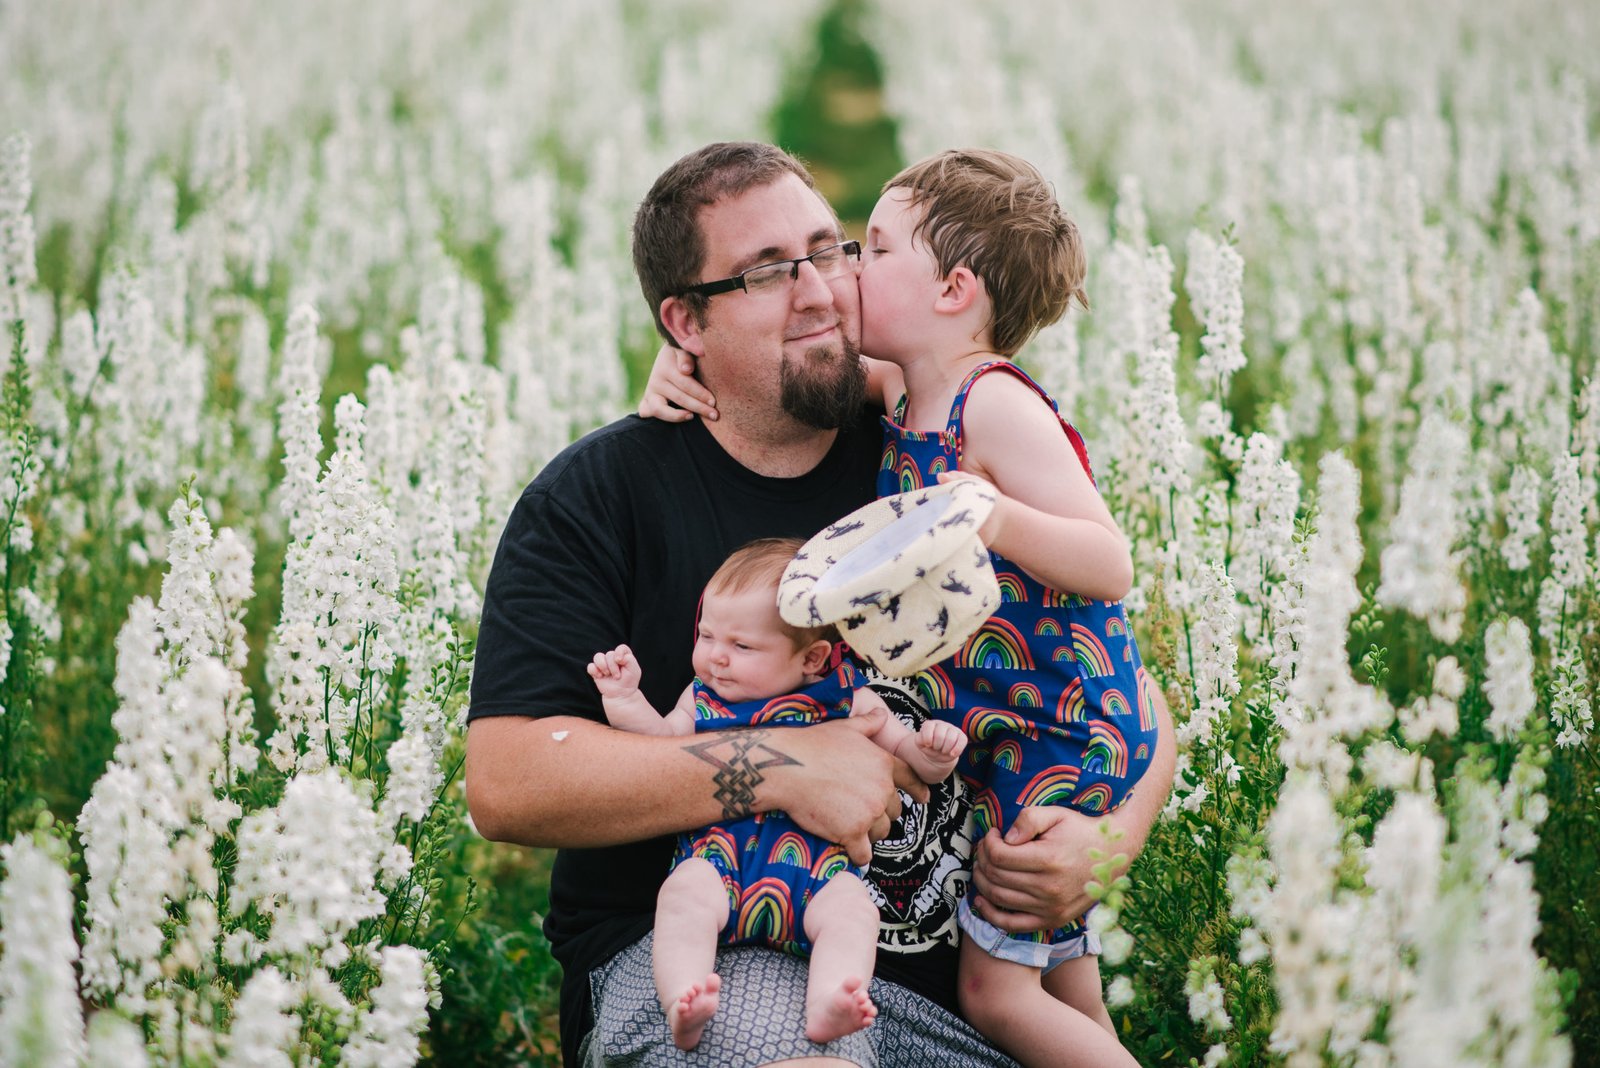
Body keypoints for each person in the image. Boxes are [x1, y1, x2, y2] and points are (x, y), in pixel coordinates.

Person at [468, 141, 1176, 1068]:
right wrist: (782, 765)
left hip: (961, 983)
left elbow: (1119, 684)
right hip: (726, 958)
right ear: (683, 321)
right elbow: (508, 781)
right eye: (765, 273)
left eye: (831, 249)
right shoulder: (602, 497)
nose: (816, 290)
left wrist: (1105, 845)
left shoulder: (924, 445)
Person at [587, 538, 967, 1050]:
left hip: (816, 878)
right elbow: (659, 744)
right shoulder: (701, 697)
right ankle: (684, 998)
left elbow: (907, 762)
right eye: (706, 636)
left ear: (812, 659)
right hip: (717, 865)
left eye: (742, 646)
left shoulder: (847, 696)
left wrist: (933, 753)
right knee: (681, 897)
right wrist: (625, 698)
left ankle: (830, 1001)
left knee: (855, 910)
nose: (716, 657)